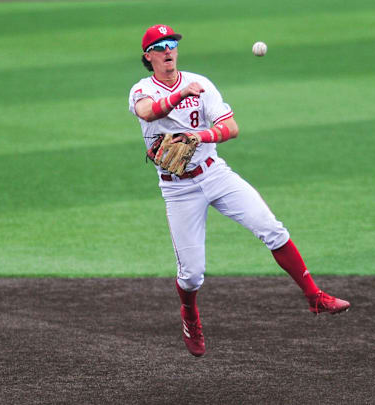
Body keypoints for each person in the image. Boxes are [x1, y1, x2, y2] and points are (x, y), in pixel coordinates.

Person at [128, 24, 350, 357]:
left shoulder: (201, 84)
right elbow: (148, 111)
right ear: (148, 56)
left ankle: (315, 297)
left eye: (172, 43)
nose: (168, 50)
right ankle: (190, 315)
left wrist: (199, 137)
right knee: (191, 277)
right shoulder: (141, 89)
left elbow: (231, 127)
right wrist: (180, 95)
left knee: (272, 229)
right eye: (160, 46)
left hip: (215, 174)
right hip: (179, 190)